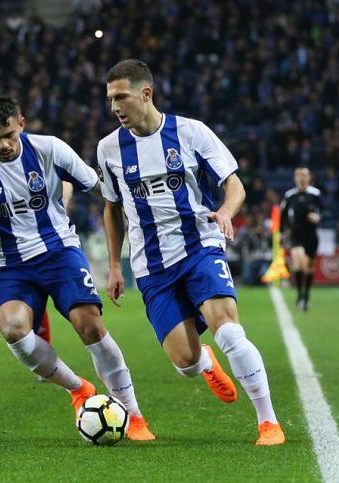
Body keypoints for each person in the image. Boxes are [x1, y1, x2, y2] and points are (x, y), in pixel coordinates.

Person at [98, 59, 284, 445]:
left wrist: (226, 213)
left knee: (228, 329)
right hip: (151, 265)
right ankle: (206, 363)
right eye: (111, 99)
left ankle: (268, 422)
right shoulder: (109, 148)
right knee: (184, 362)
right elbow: (112, 207)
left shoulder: (190, 132)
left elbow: (234, 185)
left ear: (146, 94)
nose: (115, 107)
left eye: (122, 97)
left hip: (199, 245)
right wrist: (115, 265)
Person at [0, 95, 154, 440]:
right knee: (13, 329)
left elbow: (102, 191)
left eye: (9, 135)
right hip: (9, 264)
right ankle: (78, 389)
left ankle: (134, 416)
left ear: (22, 124)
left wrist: (139, 215)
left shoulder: (50, 149)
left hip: (59, 251)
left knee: (89, 324)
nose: (3, 145)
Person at [280, 167, 323, 311]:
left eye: (304, 175)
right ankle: (299, 296)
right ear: (295, 178)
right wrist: (282, 231)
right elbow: (282, 215)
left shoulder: (315, 194)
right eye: (299, 175)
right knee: (299, 263)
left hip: (311, 235)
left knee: (309, 267)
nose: (301, 178)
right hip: (296, 235)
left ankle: (306, 295)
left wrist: (318, 217)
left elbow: (325, 211)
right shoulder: (289, 195)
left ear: (309, 178)